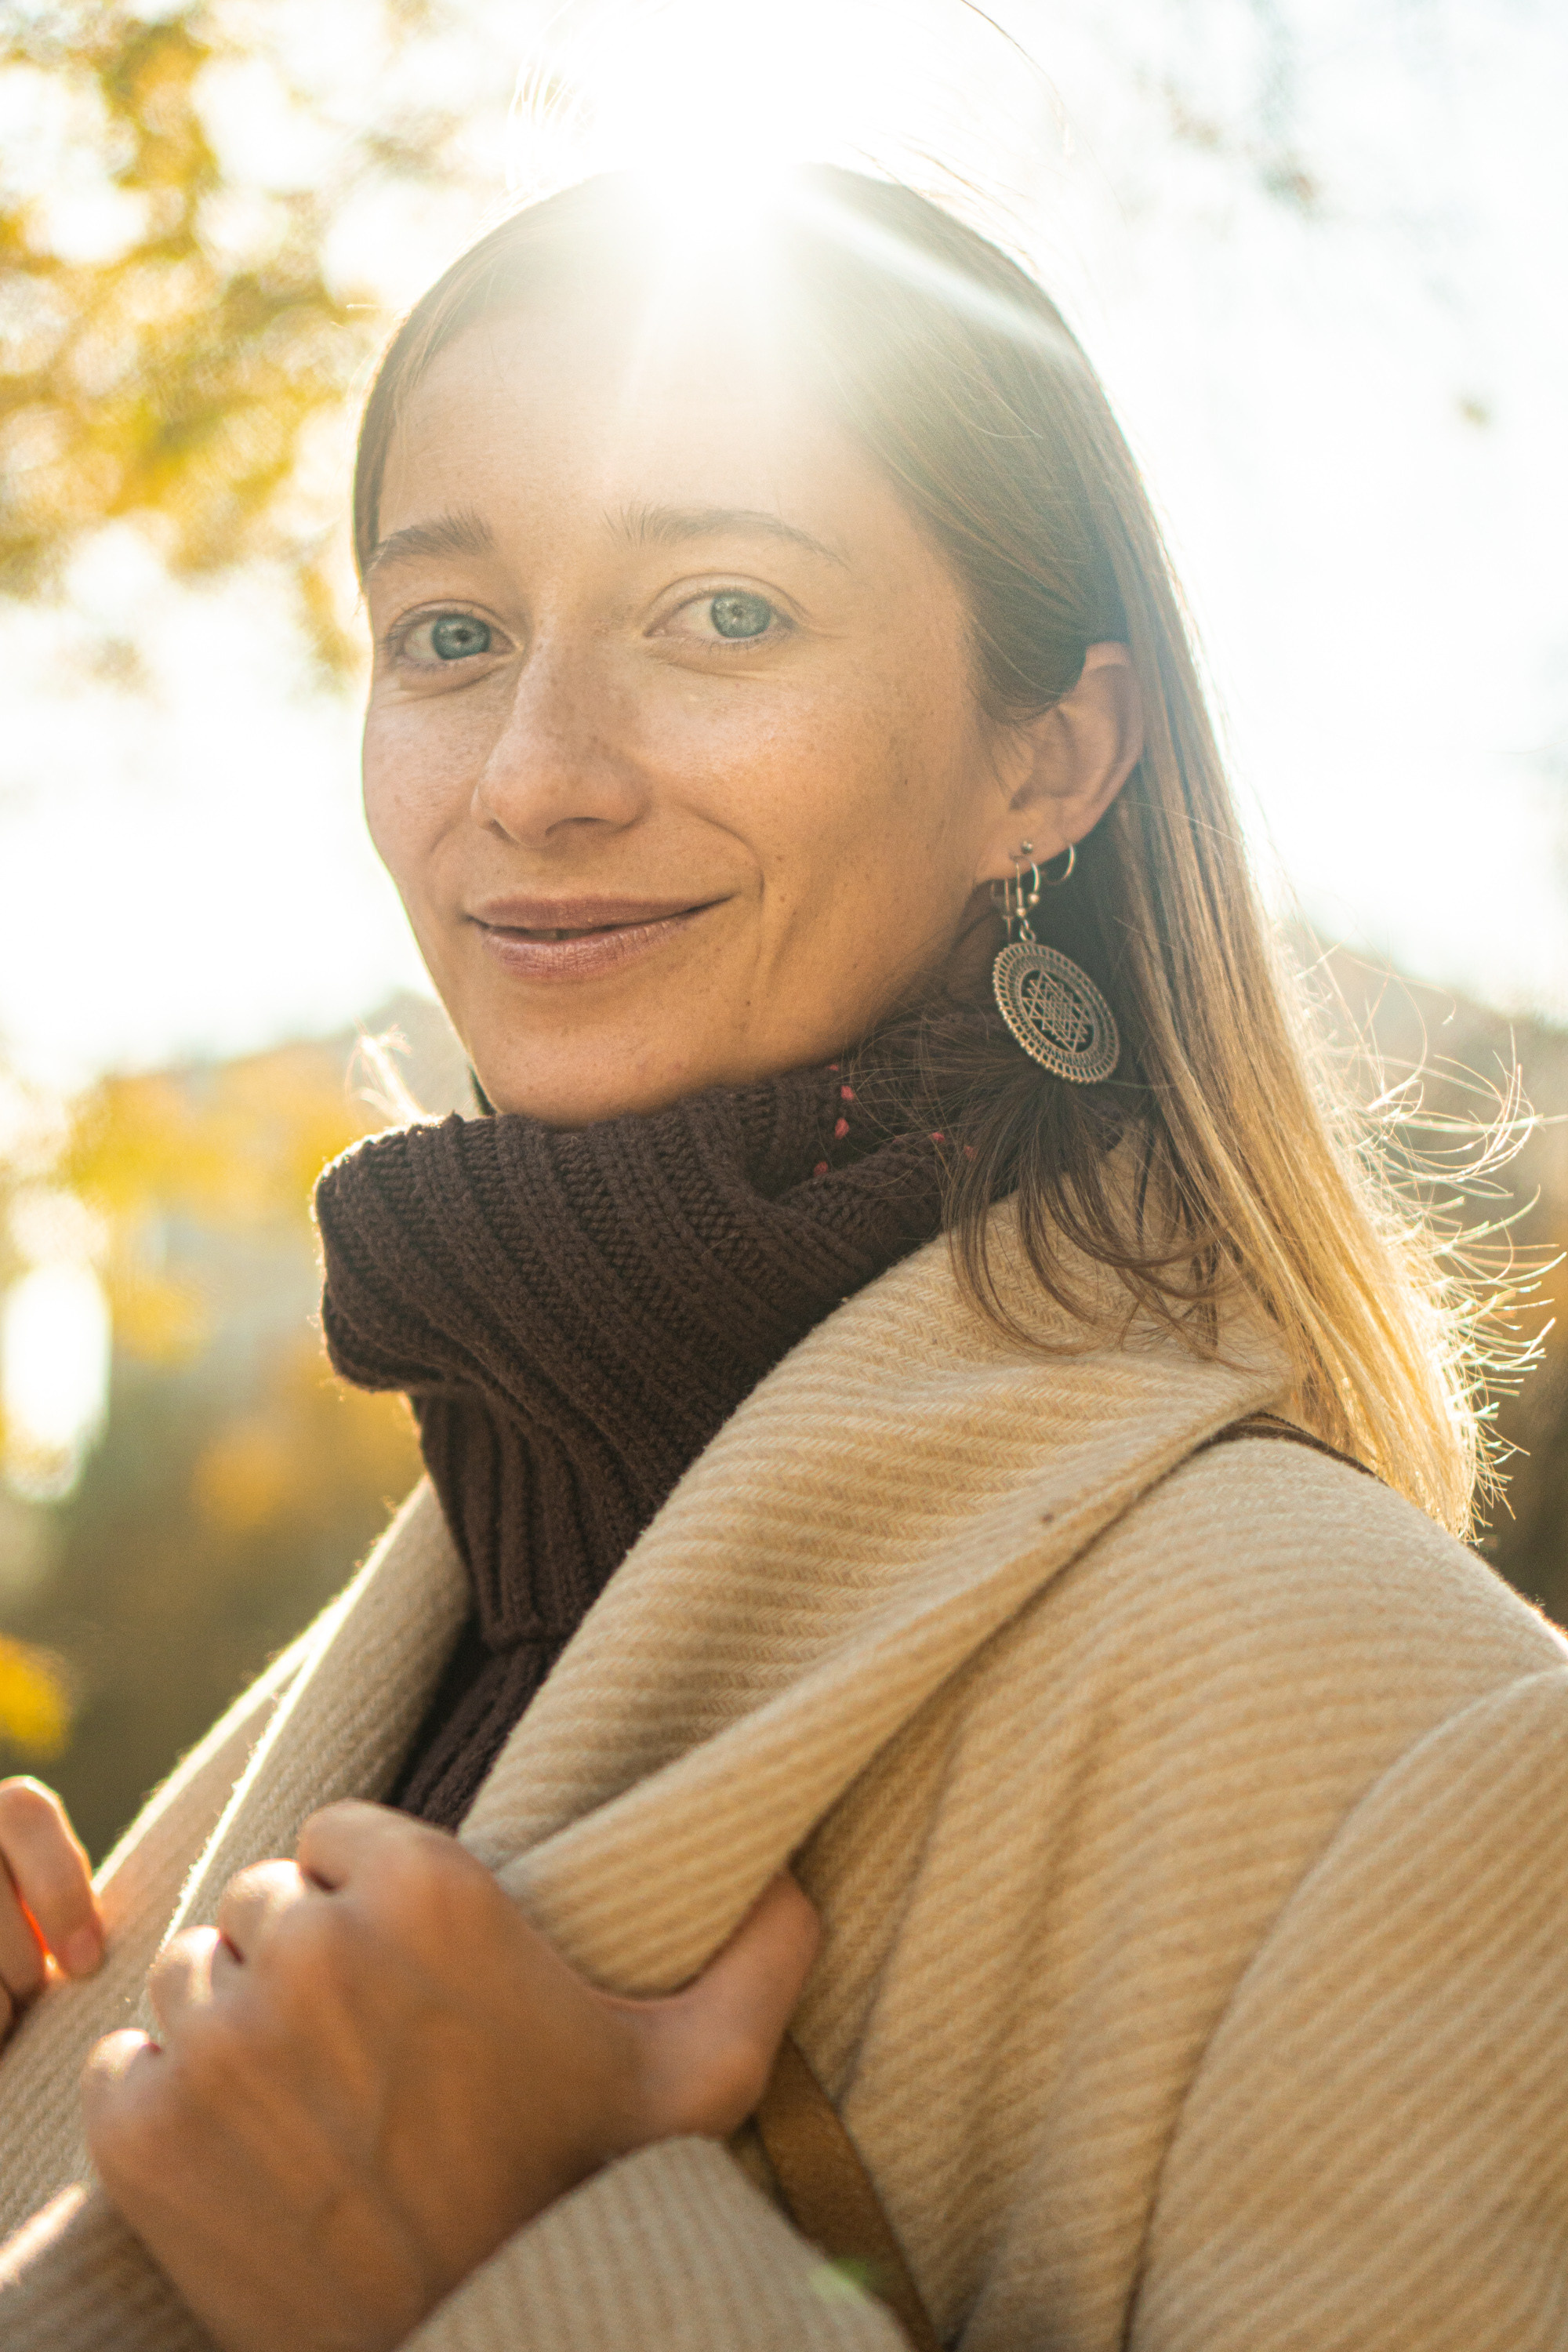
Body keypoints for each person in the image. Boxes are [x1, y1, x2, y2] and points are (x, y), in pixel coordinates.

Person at [0, 165, 1564, 2352]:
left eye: (723, 613)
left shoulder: (1443, 1767)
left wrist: (540, 2261)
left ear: (1054, 756)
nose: (533, 777)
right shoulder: (441, 1604)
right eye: (449, 634)